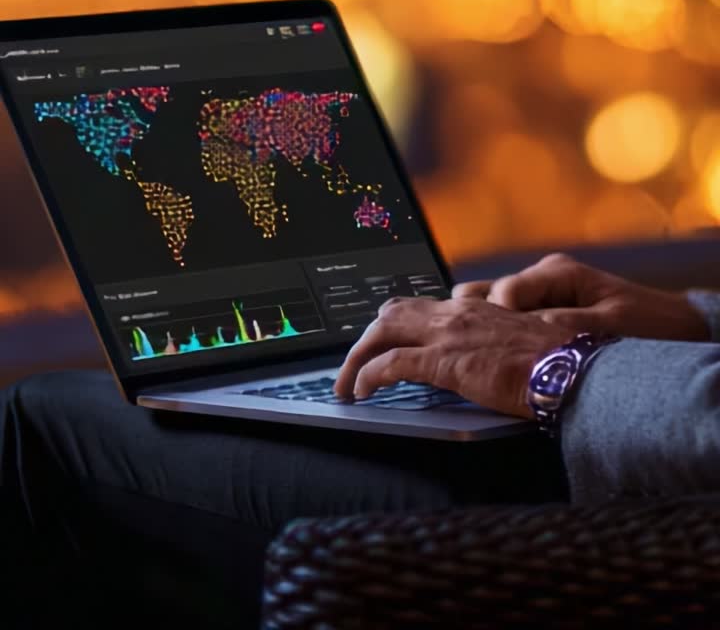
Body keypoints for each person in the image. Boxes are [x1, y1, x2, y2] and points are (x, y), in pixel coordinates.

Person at [1, 253, 719, 628]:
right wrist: (694, 320)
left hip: (634, 505)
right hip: (655, 419)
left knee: (41, 419)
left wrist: (563, 370)